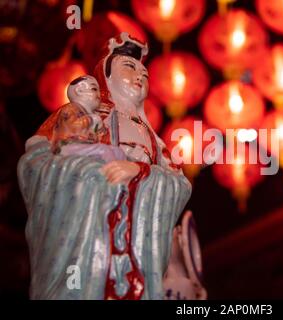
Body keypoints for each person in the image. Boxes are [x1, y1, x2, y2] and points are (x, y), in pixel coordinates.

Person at [18, 32, 192, 300]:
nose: (140, 77)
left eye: (145, 75)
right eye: (130, 67)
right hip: (87, 237)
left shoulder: (153, 140)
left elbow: (179, 184)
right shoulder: (77, 114)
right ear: (106, 76)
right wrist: (85, 173)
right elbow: (35, 164)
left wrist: (140, 173)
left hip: (136, 246)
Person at [52, 75, 126, 163]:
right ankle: (110, 174)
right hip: (67, 145)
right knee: (103, 150)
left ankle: (122, 170)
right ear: (79, 91)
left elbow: (99, 134)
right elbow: (73, 127)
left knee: (118, 152)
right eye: (94, 89)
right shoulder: (71, 108)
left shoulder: (88, 113)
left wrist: (102, 128)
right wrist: (90, 119)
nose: (99, 94)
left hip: (84, 146)